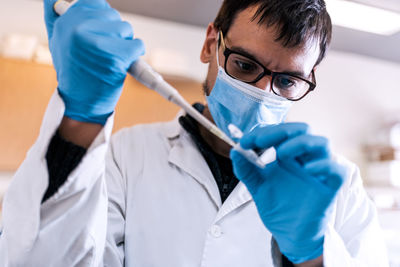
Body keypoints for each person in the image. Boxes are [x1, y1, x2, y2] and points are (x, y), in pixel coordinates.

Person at [0, 0, 389, 266]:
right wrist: (80, 118)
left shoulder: (337, 188)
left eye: (287, 81)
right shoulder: (127, 156)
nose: (261, 93)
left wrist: (312, 254)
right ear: (210, 46)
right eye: (244, 65)